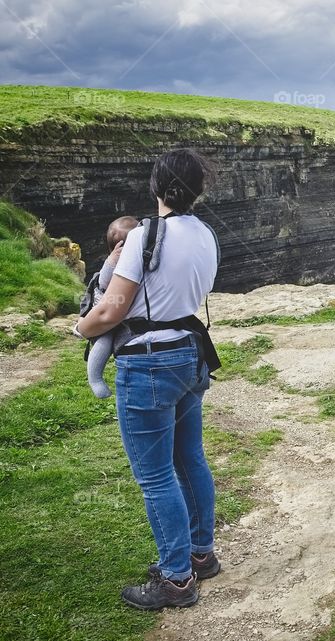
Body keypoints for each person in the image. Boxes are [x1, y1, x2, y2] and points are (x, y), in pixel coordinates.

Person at [76, 148, 222, 610]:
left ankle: (176, 580)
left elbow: (112, 309)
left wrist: (81, 328)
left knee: (157, 476)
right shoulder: (206, 234)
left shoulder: (144, 236)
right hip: (189, 355)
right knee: (190, 460)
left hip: (149, 362)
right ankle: (201, 555)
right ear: (198, 188)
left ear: (157, 187)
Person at [81, 215, 138, 398]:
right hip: (109, 306)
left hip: (126, 312)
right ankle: (95, 378)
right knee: (104, 341)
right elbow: (103, 283)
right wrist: (112, 261)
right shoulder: (113, 261)